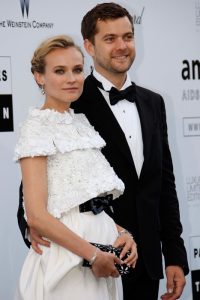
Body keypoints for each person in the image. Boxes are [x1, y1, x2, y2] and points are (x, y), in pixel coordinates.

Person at [17, 3, 189, 300]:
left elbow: (164, 183)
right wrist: (31, 227)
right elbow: (35, 189)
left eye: (128, 36)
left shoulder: (153, 103)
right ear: (89, 46)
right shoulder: (71, 103)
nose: (122, 46)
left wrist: (174, 253)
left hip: (142, 256)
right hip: (86, 258)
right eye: (109, 39)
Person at [14, 34, 138, 300]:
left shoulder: (82, 124)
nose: (71, 78)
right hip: (69, 258)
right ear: (39, 76)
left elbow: (89, 200)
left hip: (103, 254)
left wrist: (123, 233)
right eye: (60, 71)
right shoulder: (36, 128)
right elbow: (36, 215)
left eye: (77, 70)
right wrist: (92, 255)